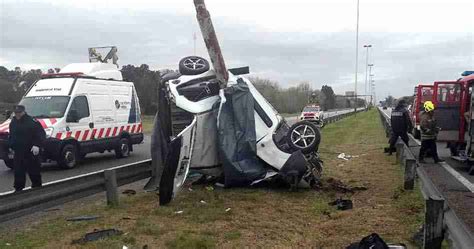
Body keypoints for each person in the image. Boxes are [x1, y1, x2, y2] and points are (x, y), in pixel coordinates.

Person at [8, 105, 46, 191]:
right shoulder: (13, 122)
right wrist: (11, 145)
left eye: (19, 113)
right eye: (16, 113)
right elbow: (12, 135)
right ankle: (18, 189)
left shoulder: (32, 122)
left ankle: (37, 188)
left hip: (30, 151)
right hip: (18, 151)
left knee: (34, 171)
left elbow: (41, 134)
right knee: (18, 171)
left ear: (23, 112)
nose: (17, 115)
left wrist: (37, 145)